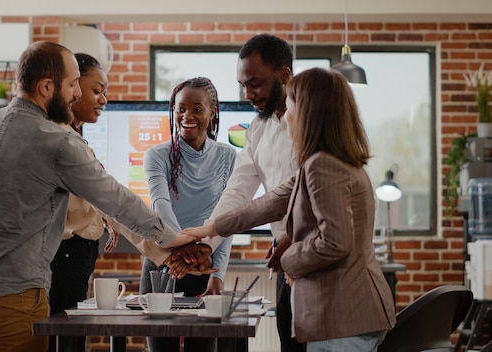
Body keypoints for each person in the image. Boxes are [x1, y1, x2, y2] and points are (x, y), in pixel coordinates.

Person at [0, 41, 188, 352]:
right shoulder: (57, 140)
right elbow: (115, 199)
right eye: (73, 84)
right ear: (47, 86)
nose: (76, 94)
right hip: (14, 297)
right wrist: (171, 239)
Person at [181, 67, 397, 352]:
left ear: (309, 111)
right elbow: (271, 201)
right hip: (355, 314)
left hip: (341, 316)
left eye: (291, 105)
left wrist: (289, 260)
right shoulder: (332, 161)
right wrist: (210, 229)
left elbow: (335, 243)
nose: (286, 115)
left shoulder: (323, 166)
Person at [187, 33, 304, 352]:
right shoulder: (258, 129)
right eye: (243, 85)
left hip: (313, 260)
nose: (248, 93)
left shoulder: (312, 121)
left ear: (284, 75)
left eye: (256, 83)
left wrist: (294, 240)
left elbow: (308, 195)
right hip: (285, 261)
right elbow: (237, 191)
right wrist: (207, 244)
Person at [139, 77, 236, 352]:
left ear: (212, 112)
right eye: (180, 108)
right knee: (160, 349)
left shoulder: (229, 157)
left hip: (206, 265)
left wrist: (218, 276)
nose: (187, 116)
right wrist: (184, 249)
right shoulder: (156, 155)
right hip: (162, 263)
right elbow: (161, 205)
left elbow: (224, 222)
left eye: (197, 108)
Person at [48, 53, 117, 352]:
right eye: (96, 90)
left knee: (71, 341)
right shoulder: (61, 139)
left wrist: (103, 220)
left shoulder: (75, 135)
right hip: (64, 257)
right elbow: (107, 195)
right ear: (71, 88)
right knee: (64, 342)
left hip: (76, 257)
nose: (103, 100)